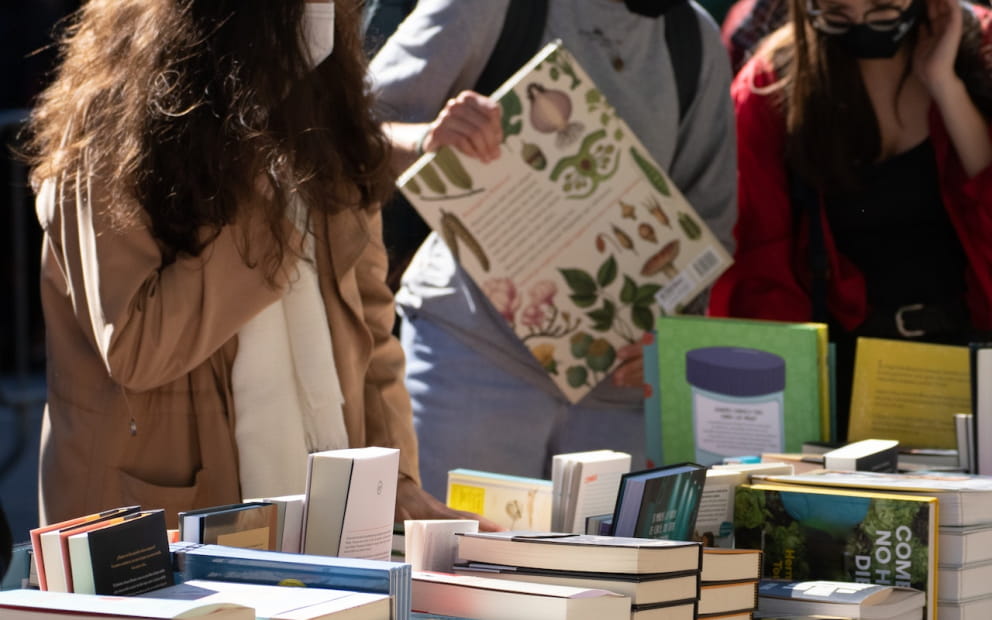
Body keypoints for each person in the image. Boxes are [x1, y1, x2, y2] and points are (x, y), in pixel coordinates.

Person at [26, 0, 491, 529]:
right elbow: (137, 348)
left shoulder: (323, 112)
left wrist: (397, 478)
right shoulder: (112, 123)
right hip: (153, 532)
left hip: (317, 525)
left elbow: (371, 331)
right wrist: (258, 178)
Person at [369, 0, 737, 499]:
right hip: (470, 364)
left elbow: (707, 225)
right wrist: (428, 141)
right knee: (453, 571)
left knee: (610, 578)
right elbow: (350, 129)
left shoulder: (693, 36)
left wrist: (665, 339)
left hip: (618, 392)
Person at [709, 0, 992, 437]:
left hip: (977, 363)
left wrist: (945, 84)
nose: (860, 21)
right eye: (836, 10)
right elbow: (759, 271)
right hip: (847, 382)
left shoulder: (981, 48)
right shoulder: (771, 84)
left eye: (882, 7)